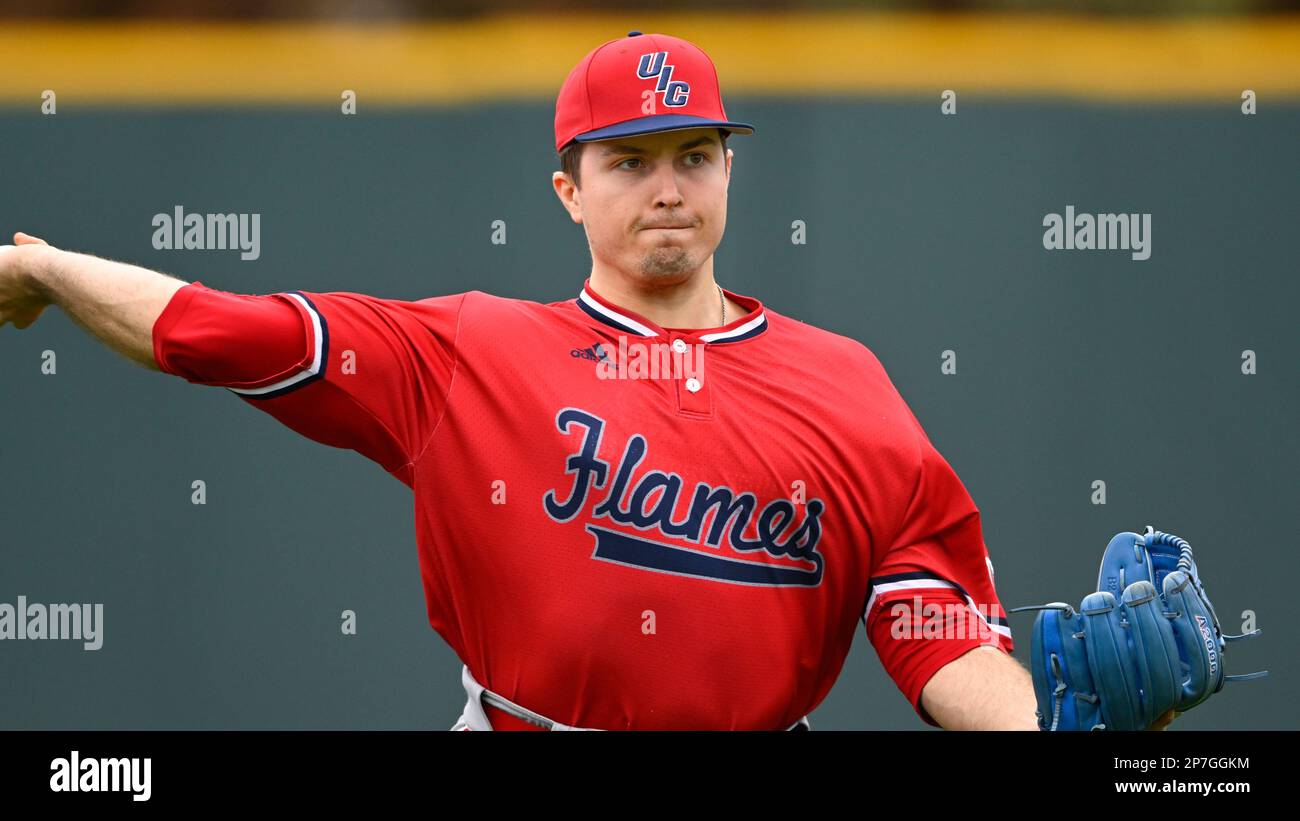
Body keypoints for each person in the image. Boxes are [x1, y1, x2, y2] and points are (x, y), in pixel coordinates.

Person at [0, 30, 1174, 731]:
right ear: (568, 188)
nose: (667, 186)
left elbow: (929, 624)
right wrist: (49, 267)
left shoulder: (846, 384)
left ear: (727, 172)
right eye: (629, 162)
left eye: (694, 156)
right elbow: (219, 327)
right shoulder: (468, 350)